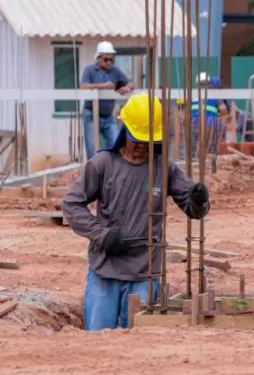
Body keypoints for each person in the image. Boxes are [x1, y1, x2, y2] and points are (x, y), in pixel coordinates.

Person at [61, 92, 210, 331]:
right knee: (96, 340)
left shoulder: (163, 169)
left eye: (149, 142)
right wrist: (102, 234)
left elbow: (193, 209)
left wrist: (199, 201)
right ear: (124, 130)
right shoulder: (103, 164)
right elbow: (71, 204)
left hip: (145, 273)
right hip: (105, 269)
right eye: (138, 140)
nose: (143, 147)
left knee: (140, 342)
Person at [79, 41, 134, 158]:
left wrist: (127, 88)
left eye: (111, 60)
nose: (109, 62)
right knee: (92, 148)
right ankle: (93, 172)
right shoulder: (89, 70)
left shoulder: (115, 71)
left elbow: (130, 82)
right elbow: (83, 86)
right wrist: (103, 85)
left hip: (108, 116)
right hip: (91, 114)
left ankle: (110, 169)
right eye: (106, 59)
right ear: (98, 58)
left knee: (116, 143)